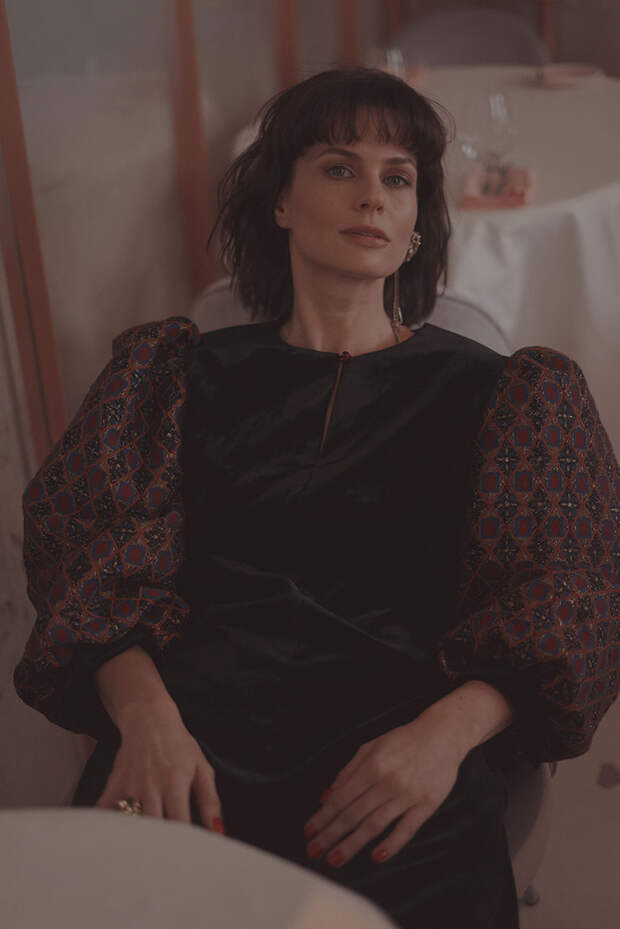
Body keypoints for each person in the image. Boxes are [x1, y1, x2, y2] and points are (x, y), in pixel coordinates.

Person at [14, 68, 619, 929]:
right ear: (281, 202)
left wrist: (441, 741)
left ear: (415, 224)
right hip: (187, 742)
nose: (373, 195)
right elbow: (88, 571)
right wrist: (143, 721)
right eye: (340, 167)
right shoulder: (174, 378)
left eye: (398, 178)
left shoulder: (505, 396)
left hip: (394, 756)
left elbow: (569, 602)